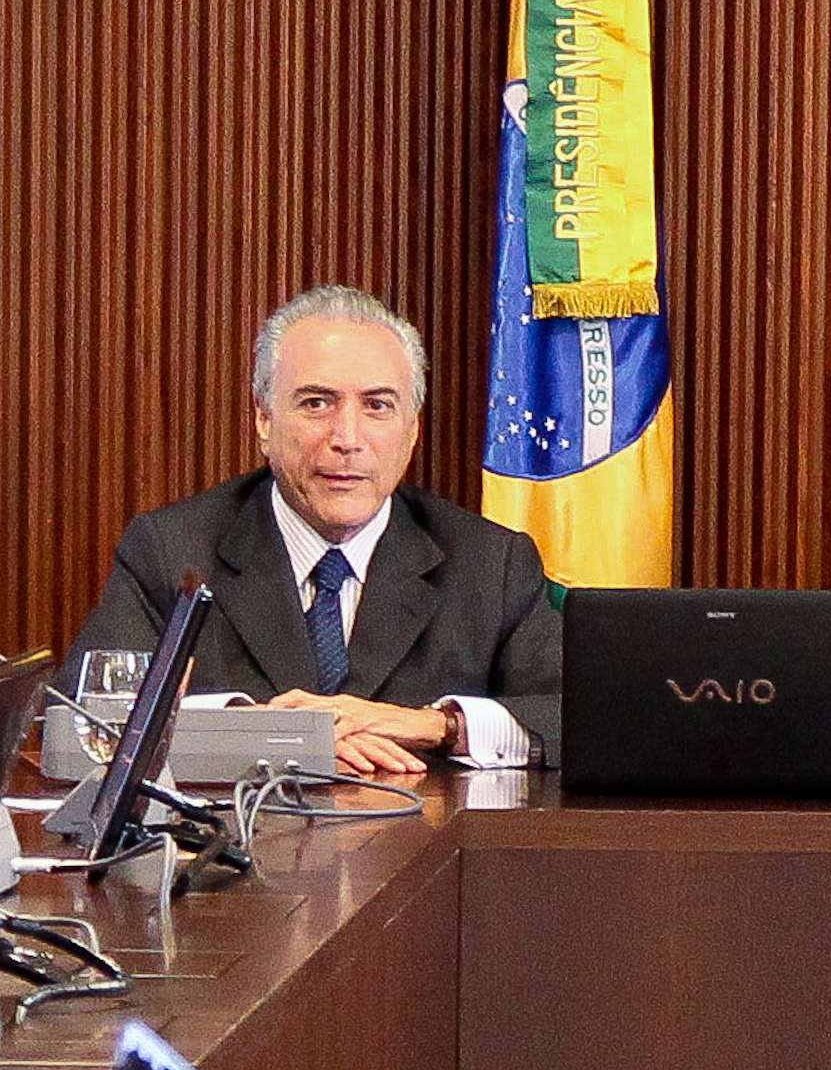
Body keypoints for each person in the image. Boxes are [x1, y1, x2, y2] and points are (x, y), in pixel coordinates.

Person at [64, 285, 560, 778]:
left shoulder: (490, 564)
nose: (346, 439)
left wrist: (438, 725)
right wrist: (269, 738)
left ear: (411, 430)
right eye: (317, 403)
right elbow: (80, 723)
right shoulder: (172, 550)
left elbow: (575, 718)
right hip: (233, 849)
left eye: (377, 406)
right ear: (263, 418)